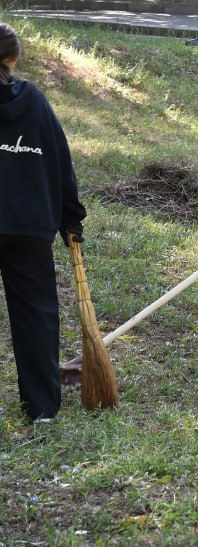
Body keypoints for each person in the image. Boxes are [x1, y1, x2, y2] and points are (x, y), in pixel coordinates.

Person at [0, 22, 86, 423]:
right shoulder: (34, 102)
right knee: (35, 313)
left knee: (35, 312)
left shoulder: (35, 100)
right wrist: (72, 218)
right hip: (29, 227)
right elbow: (60, 161)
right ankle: (42, 410)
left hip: (26, 226)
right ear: (13, 58)